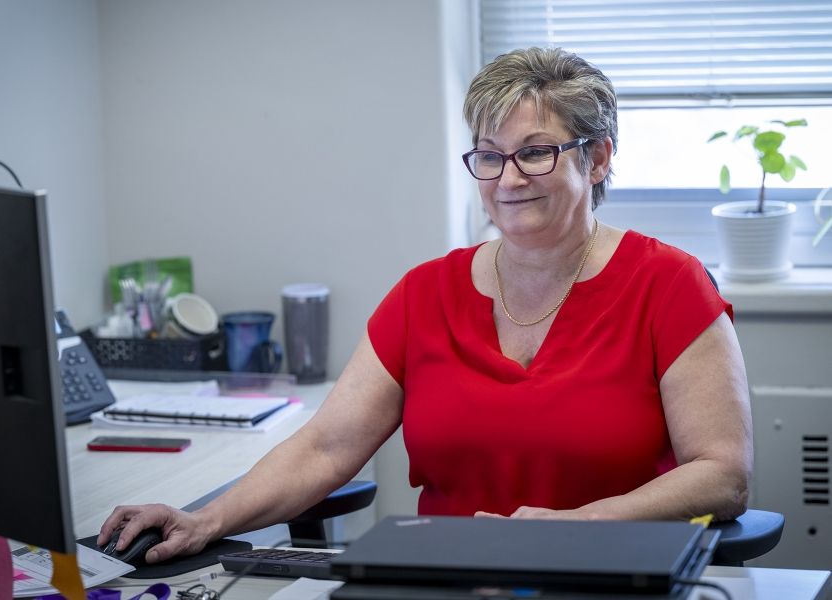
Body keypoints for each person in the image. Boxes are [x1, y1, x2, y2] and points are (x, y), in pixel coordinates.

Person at [98, 47, 752, 563]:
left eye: (534, 153)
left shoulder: (668, 286)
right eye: (490, 157)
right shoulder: (426, 294)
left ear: (599, 156)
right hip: (445, 578)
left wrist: (580, 525)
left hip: (610, 575)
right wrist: (204, 520)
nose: (509, 180)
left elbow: (722, 475)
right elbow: (326, 448)